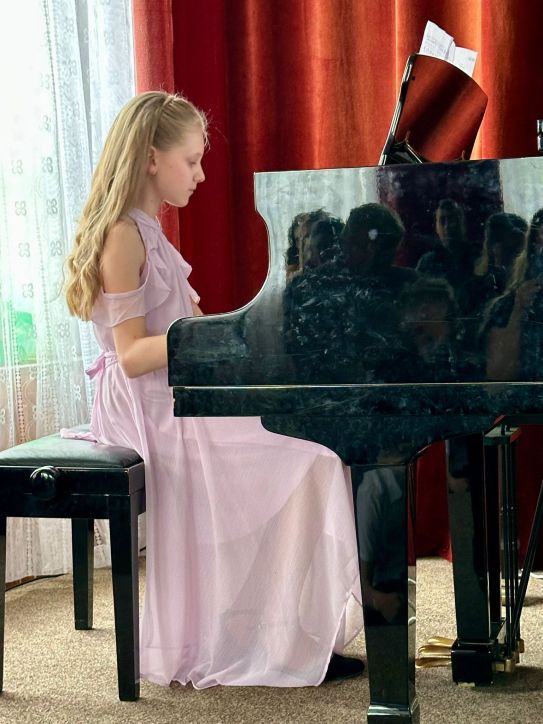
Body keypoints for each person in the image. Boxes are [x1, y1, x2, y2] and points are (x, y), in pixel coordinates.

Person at [63, 91, 363, 689]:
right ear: (152, 158)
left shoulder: (150, 231)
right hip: (146, 408)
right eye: (192, 160)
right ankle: (269, 637)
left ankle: (275, 629)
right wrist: (218, 335)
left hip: (175, 396)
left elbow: (192, 326)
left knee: (315, 452)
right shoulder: (123, 236)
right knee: (312, 462)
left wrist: (244, 341)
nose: (201, 175)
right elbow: (131, 355)